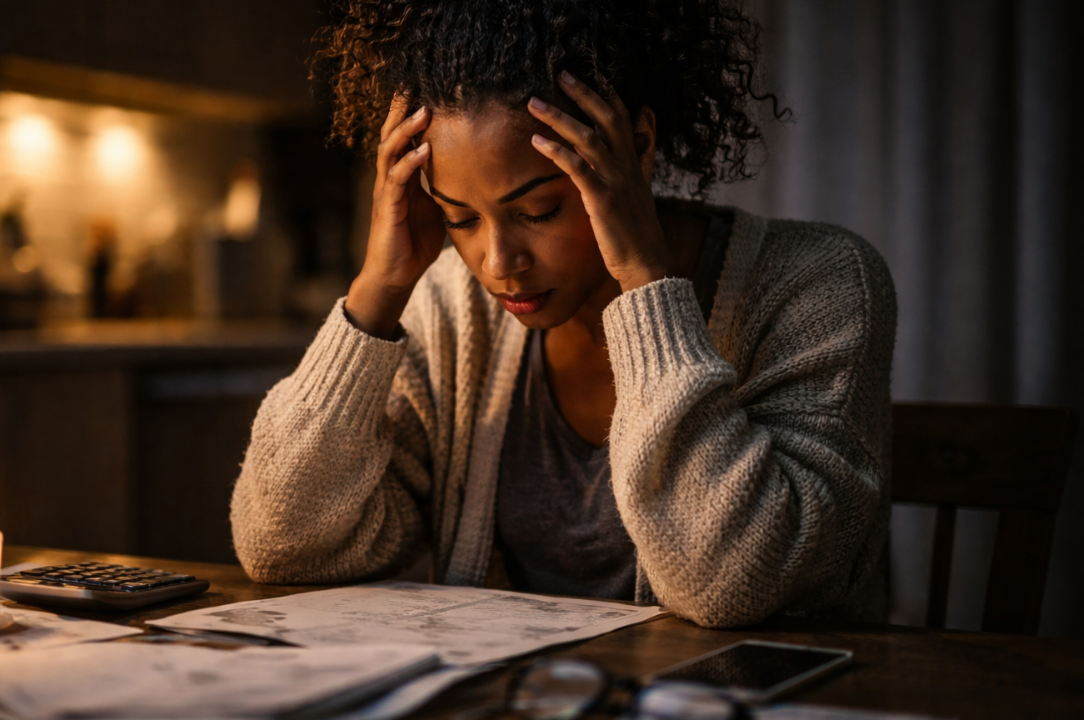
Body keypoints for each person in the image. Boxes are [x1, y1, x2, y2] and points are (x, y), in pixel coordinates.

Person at [231, 0, 896, 628]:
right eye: (459, 218)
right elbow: (285, 547)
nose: (497, 262)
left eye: (538, 211)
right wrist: (377, 290)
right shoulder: (451, 306)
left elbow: (732, 583)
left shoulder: (820, 284)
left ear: (635, 147)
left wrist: (645, 285)